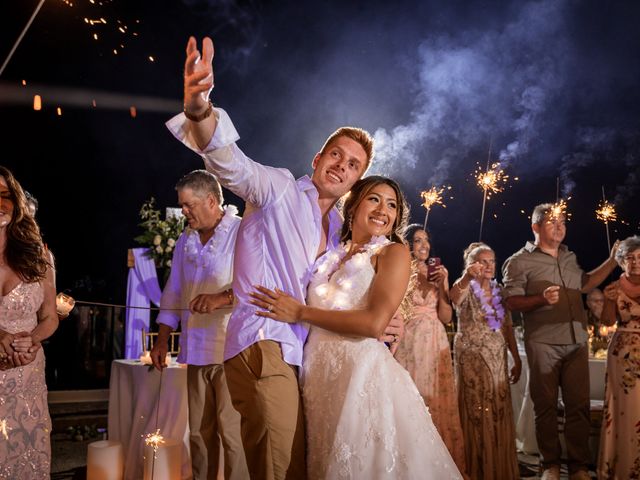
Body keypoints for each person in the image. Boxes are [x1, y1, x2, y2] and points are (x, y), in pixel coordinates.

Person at [167, 37, 401, 479]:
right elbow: (228, 162)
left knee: (297, 464)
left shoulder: (338, 233)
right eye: (336, 155)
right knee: (278, 466)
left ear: (355, 180)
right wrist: (199, 108)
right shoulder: (276, 189)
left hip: (305, 357)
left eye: (352, 165)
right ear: (318, 158)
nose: (341, 166)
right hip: (264, 343)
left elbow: (340, 293)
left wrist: (385, 317)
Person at [250, 176, 462, 479]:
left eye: (392, 205)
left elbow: (374, 322)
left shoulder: (393, 253)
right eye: (374, 199)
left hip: (362, 377)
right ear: (353, 205)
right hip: (318, 379)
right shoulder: (329, 255)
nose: (383, 210)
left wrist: (301, 312)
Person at [502, 203, 619, 480]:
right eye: (552, 222)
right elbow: (510, 300)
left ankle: (578, 466)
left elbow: (586, 283)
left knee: (577, 406)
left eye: (563, 222)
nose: (559, 227)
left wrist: (613, 260)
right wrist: (541, 299)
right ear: (535, 227)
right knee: (545, 408)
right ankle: (549, 465)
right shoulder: (518, 261)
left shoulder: (569, 256)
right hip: (543, 342)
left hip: (577, 340)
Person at [150, 170, 248, 479]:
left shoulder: (241, 232)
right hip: (196, 350)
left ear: (211, 201)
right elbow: (174, 291)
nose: (184, 212)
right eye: (182, 205)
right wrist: (163, 338)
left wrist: (221, 298)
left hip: (231, 349)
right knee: (200, 435)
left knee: (233, 434)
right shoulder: (185, 239)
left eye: (188, 205)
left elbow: (256, 285)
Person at [393, 224, 467, 474]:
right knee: (414, 396)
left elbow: (446, 317)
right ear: (408, 245)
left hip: (435, 341)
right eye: (417, 240)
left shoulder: (438, 273)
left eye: (426, 240)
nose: (423, 245)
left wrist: (443, 283)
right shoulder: (402, 269)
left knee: (437, 399)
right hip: (410, 340)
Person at [0, 166, 59, 478]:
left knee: (25, 460)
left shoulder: (40, 257)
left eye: (6, 196)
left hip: (27, 378)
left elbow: (50, 317)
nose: (0, 204)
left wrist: (33, 338)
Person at [451, 242, 520, 480]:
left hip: (497, 359)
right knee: (475, 412)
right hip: (471, 359)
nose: (489, 266)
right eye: (483, 261)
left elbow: (507, 326)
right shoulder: (465, 286)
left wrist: (516, 358)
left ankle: (499, 469)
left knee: (498, 410)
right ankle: (476, 468)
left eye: (492, 261)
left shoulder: (499, 290)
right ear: (472, 264)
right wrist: (465, 276)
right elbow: (454, 298)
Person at [597, 235, 640, 480]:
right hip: (622, 360)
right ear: (621, 261)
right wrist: (608, 301)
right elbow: (606, 322)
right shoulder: (614, 287)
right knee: (624, 411)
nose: (635, 262)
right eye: (629, 258)